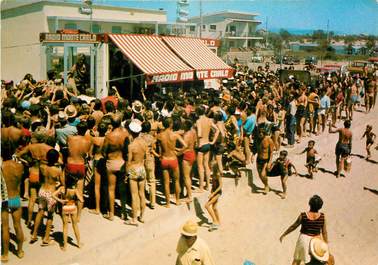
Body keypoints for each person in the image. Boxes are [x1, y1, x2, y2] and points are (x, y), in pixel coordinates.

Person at [280, 195, 328, 265]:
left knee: (296, 260)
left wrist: (284, 234)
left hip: (304, 239)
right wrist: (325, 245)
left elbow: (293, 226)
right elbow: (324, 232)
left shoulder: (303, 215)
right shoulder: (323, 216)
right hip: (316, 241)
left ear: (309, 204)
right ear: (320, 206)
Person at [30, 149, 63, 246]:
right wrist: (57, 184)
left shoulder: (42, 167)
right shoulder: (58, 170)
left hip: (42, 190)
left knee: (40, 211)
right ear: (56, 159)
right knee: (50, 216)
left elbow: (40, 179)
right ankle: (46, 238)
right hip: (51, 193)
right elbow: (62, 183)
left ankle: (34, 234)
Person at [102, 115, 129, 220]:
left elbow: (104, 152)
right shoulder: (125, 134)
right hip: (122, 162)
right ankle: (123, 212)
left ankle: (111, 214)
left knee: (111, 189)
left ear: (111, 124)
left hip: (111, 162)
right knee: (122, 189)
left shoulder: (109, 136)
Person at [157, 118, 187, 207]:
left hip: (164, 159)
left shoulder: (159, 135)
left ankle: (168, 203)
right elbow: (185, 145)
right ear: (171, 124)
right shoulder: (175, 135)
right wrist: (179, 152)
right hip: (173, 159)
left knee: (166, 183)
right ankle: (177, 201)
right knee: (176, 181)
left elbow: (158, 147)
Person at [66, 122, 92, 221]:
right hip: (80, 165)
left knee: (70, 190)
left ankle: (68, 215)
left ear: (77, 129)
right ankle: (78, 216)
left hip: (70, 164)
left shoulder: (70, 138)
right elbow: (88, 155)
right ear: (86, 130)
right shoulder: (88, 141)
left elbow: (68, 148)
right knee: (80, 192)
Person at [1, 153, 25, 262]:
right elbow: (19, 183)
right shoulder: (19, 166)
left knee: (5, 228)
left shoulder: (1, 167)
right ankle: (19, 251)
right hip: (15, 197)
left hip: (4, 198)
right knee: (18, 225)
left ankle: (5, 254)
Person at [124, 120, 148, 226]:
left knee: (134, 196)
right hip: (142, 168)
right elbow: (146, 157)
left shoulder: (131, 146)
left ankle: (133, 219)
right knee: (142, 194)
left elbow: (129, 162)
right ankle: (142, 216)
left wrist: (126, 173)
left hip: (133, 169)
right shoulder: (144, 142)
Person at [53, 176, 84, 251]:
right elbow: (81, 200)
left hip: (65, 207)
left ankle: (65, 246)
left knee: (65, 226)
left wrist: (60, 200)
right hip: (73, 207)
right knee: (75, 225)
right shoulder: (74, 190)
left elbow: (53, 195)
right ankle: (79, 243)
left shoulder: (62, 189)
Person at [195, 106, 219, 191]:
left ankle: (201, 187)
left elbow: (199, 134)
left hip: (201, 145)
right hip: (207, 144)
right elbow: (217, 130)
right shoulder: (209, 120)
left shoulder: (198, 121)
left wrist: (197, 143)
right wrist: (213, 141)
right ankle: (208, 185)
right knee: (206, 165)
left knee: (200, 166)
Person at [89, 123, 107, 215]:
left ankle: (97, 208)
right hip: (105, 161)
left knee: (97, 186)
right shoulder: (107, 139)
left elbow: (90, 153)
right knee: (105, 185)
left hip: (96, 160)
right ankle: (105, 207)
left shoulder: (95, 139)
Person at [140, 121, 159, 209]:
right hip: (150, 159)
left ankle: (142, 201)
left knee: (142, 180)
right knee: (151, 180)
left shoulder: (139, 137)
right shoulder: (152, 138)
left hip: (140, 159)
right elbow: (154, 148)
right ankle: (152, 202)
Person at [254, 127, 275, 194]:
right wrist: (252, 155)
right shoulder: (257, 139)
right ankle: (266, 185)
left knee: (263, 174)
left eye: (261, 133)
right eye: (259, 133)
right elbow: (256, 148)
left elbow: (271, 152)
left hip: (266, 160)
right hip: (259, 159)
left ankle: (266, 186)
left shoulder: (269, 140)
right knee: (260, 175)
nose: (260, 134)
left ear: (264, 133)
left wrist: (269, 162)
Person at [181, 119, 197, 202]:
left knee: (186, 176)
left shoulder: (186, 135)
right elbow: (195, 142)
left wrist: (178, 152)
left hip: (187, 154)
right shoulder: (193, 132)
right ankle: (188, 194)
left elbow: (184, 147)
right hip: (192, 152)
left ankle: (189, 196)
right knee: (189, 176)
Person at [205, 163, 222, 232]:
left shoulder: (218, 175)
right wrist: (212, 191)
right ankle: (218, 222)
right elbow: (213, 185)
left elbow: (220, 186)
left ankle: (214, 222)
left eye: (211, 166)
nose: (210, 167)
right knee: (214, 208)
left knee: (207, 205)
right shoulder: (213, 174)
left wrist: (213, 194)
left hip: (217, 193)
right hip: (214, 192)